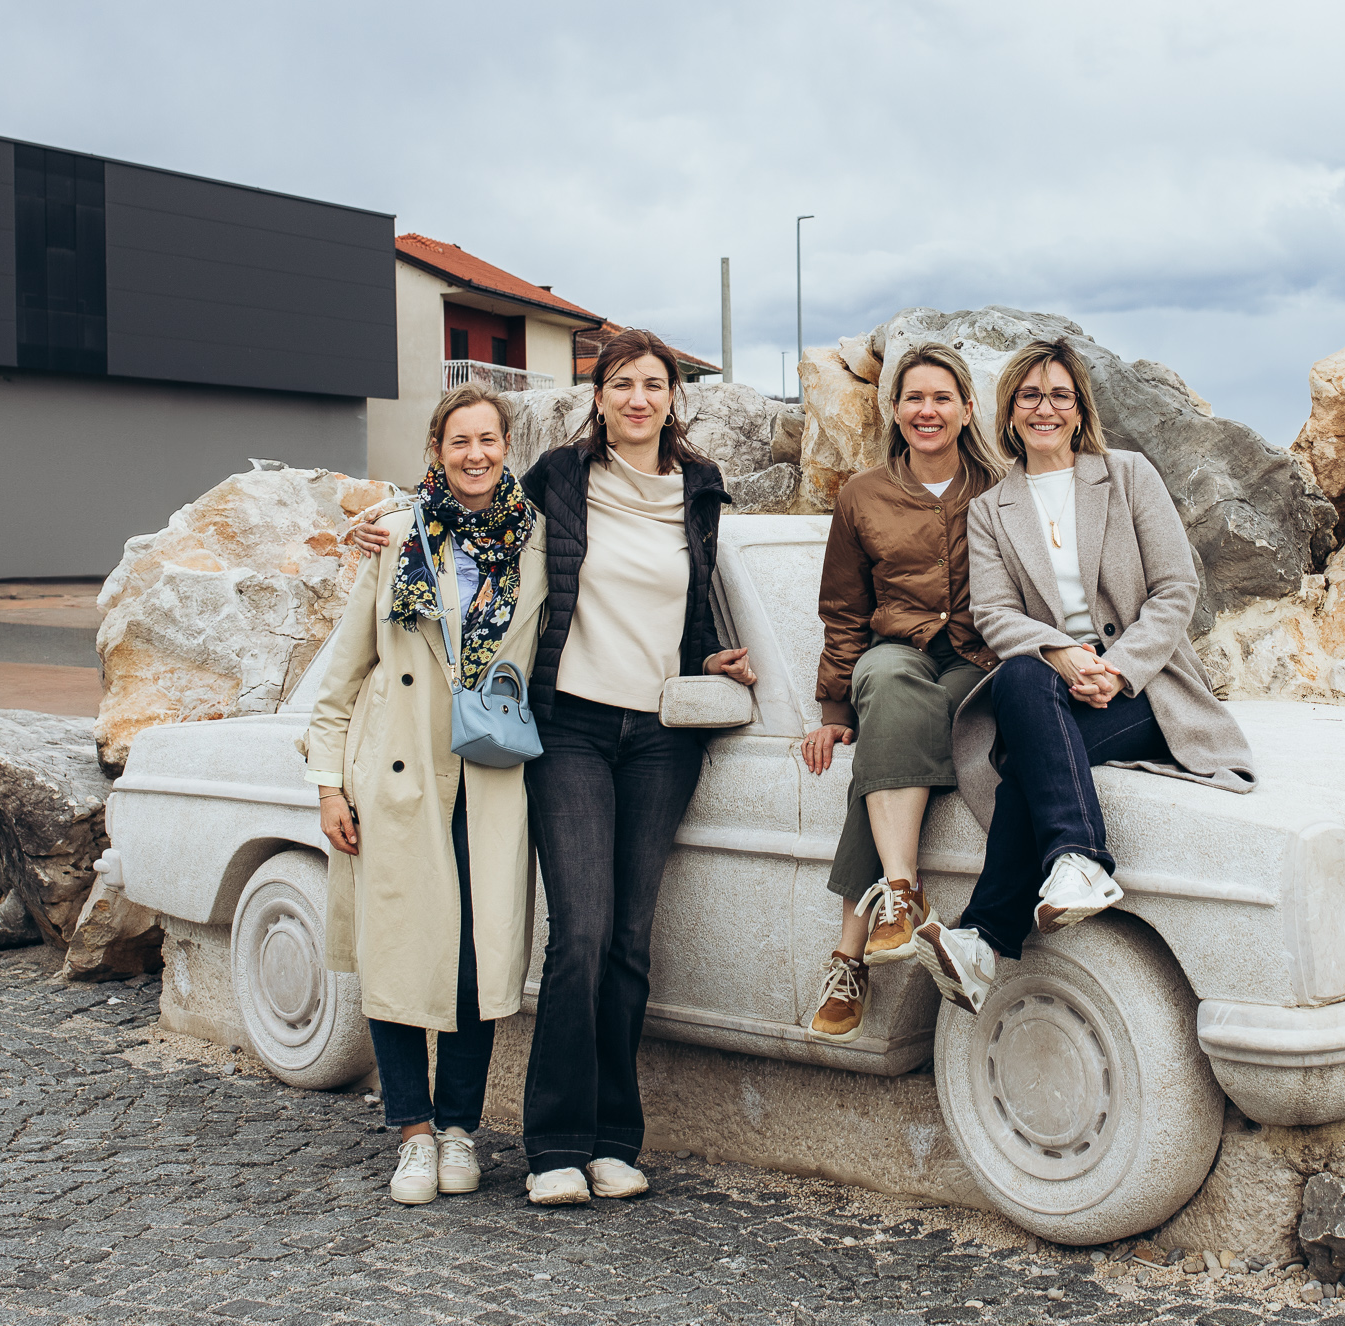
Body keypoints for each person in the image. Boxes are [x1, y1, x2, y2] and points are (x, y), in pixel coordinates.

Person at [913, 339, 1258, 1012]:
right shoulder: (991, 508)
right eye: (1030, 396)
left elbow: (1176, 588)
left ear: (1079, 409)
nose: (1045, 409)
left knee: (1029, 763)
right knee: (1018, 680)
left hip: (1146, 689)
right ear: (1010, 410)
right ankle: (1078, 863)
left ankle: (985, 936)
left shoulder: (1127, 475)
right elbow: (994, 613)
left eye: (1060, 396)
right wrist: (1062, 653)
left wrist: (1118, 669)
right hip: (1052, 685)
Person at [513, 329, 756, 1204]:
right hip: (570, 726)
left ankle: (615, 1138)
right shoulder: (559, 477)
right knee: (579, 931)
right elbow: (482, 526)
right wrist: (390, 525)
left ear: (672, 397)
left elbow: (695, 606)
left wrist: (714, 657)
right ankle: (554, 1143)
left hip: (661, 734)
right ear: (600, 395)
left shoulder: (699, 488)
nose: (639, 398)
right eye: (622, 384)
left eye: (654, 384)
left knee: (628, 940)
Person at [303, 384, 549, 1206]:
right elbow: (343, 676)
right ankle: (412, 1131)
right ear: (437, 451)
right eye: (459, 441)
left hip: (489, 774)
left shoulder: (535, 539)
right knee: (398, 951)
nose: (475, 455)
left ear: (507, 447)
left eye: (488, 439)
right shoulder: (397, 535)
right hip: (398, 775)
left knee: (477, 959)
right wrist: (328, 784)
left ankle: (459, 1127)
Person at [799, 342, 1004, 1041]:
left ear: (967, 408)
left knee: (888, 741)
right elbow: (843, 610)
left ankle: (850, 953)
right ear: (894, 408)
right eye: (914, 397)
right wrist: (834, 709)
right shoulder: (862, 495)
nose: (927, 410)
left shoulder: (1001, 488)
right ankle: (902, 889)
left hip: (975, 660)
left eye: (942, 397)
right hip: (896, 650)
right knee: (885, 683)